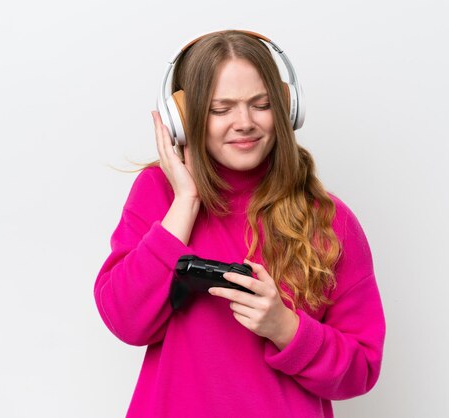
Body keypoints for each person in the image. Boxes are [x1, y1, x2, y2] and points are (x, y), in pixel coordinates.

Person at [94, 30, 386, 418]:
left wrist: (285, 328)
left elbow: (361, 370)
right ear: (183, 119)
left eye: (261, 104)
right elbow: (126, 320)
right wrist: (186, 201)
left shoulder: (329, 220)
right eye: (221, 109)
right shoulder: (161, 195)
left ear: (286, 108)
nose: (244, 122)